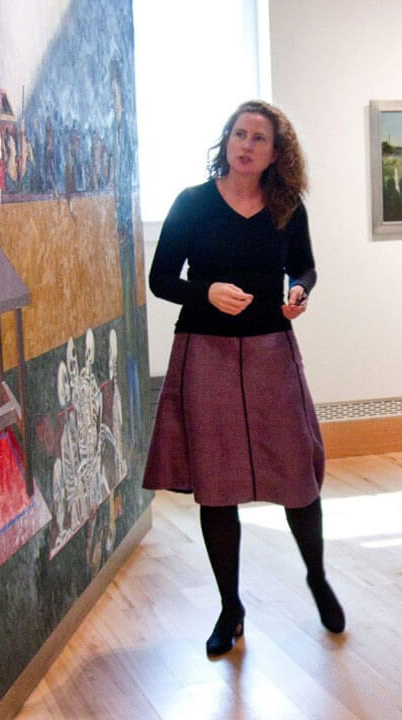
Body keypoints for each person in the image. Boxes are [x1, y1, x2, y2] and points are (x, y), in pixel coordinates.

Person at [142, 100, 343, 658]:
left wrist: (300, 290)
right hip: (204, 350)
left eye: (258, 137)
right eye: (239, 134)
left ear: (276, 153)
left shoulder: (286, 207)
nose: (246, 144)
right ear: (226, 142)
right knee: (218, 485)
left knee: (297, 473)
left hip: (270, 350)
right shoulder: (192, 204)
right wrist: (203, 291)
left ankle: (317, 578)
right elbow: (161, 279)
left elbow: (305, 266)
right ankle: (230, 608)